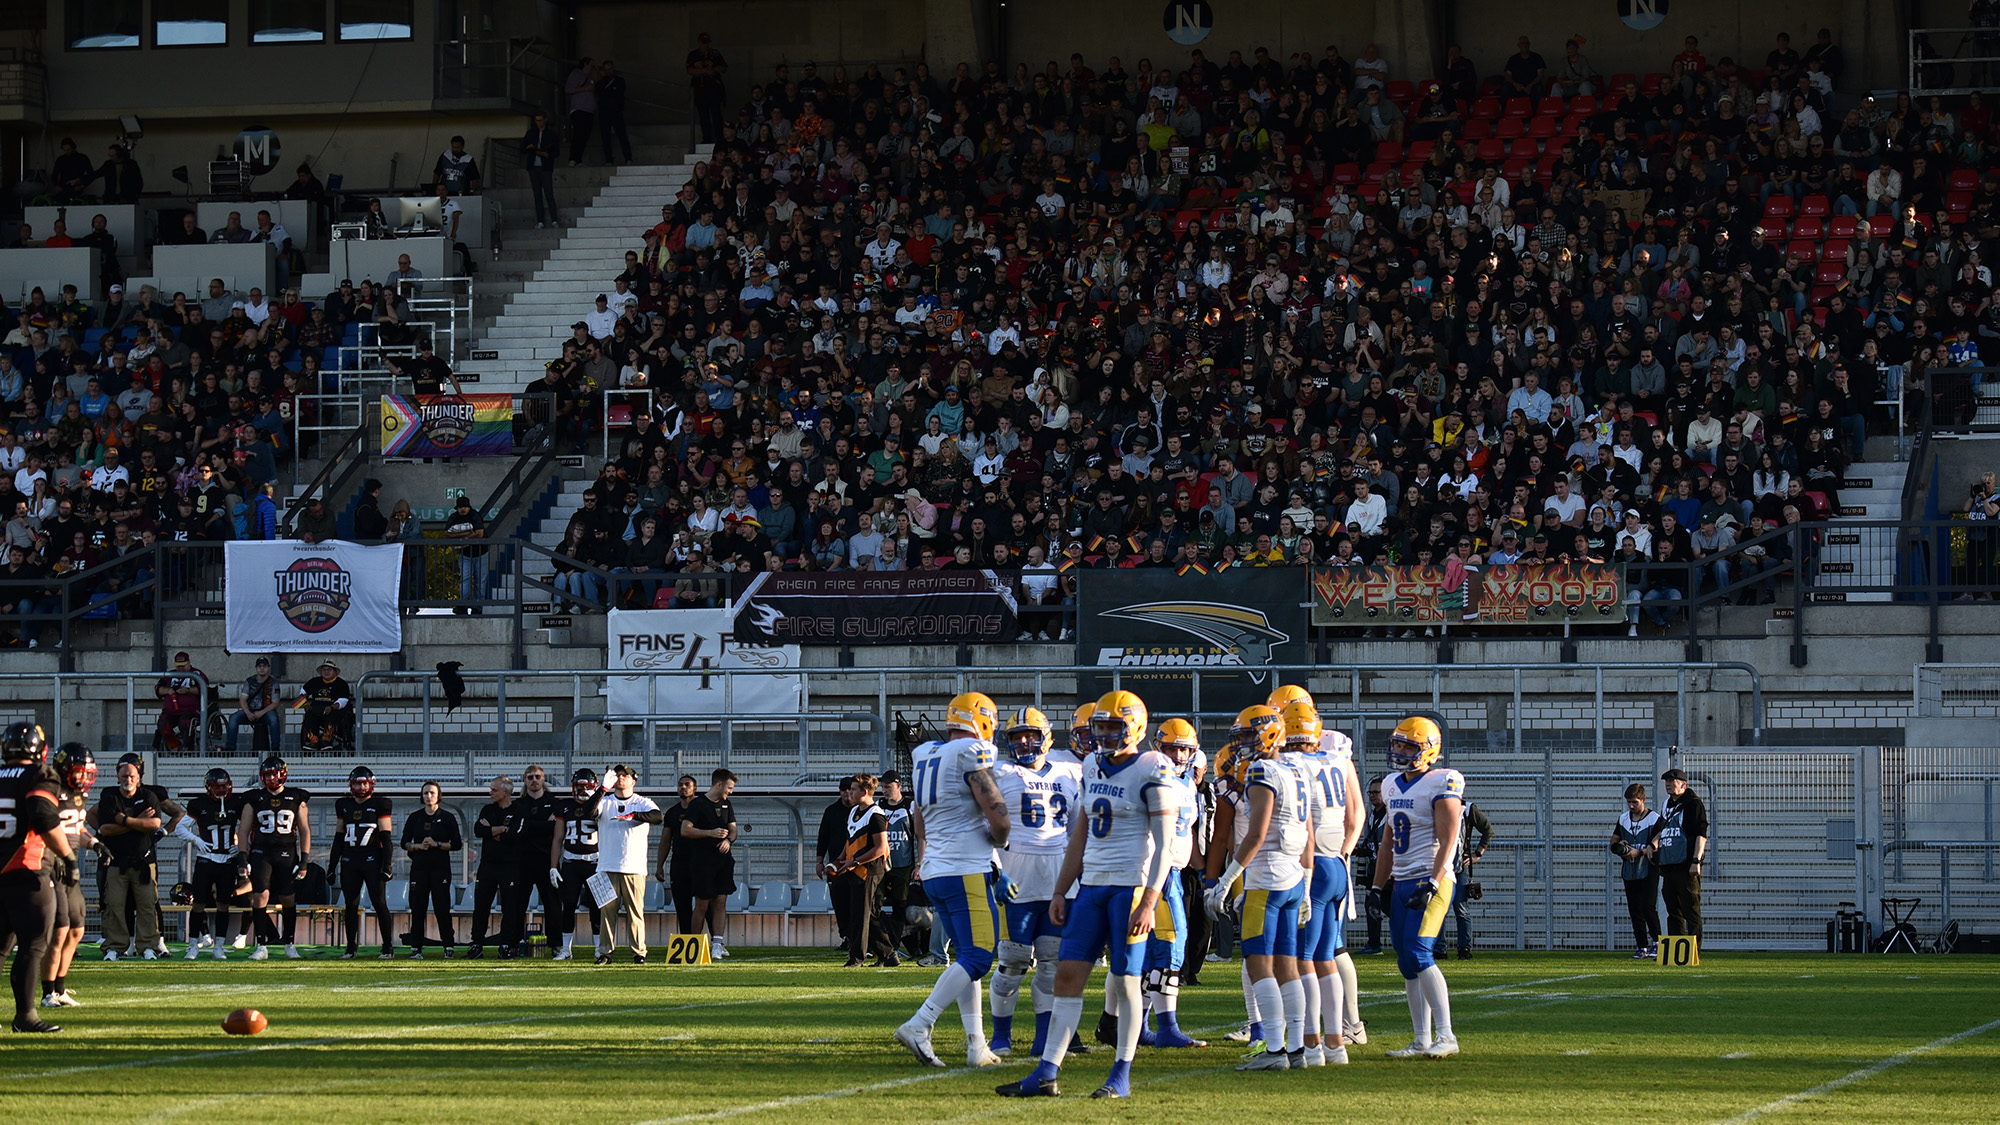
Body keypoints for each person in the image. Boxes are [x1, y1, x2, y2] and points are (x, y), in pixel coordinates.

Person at [995, 691, 1170, 1099]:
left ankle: (1120, 1074)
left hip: (1130, 886)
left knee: (1127, 981)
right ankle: (1046, 1072)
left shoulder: (1152, 766)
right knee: (1068, 976)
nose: (1105, 735)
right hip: (1090, 886)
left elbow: (1163, 846)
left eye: (1113, 727)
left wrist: (1149, 901)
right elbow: (1081, 833)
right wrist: (1061, 889)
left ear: (1135, 727)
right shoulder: (1090, 765)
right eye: (1101, 727)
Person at [897, 691, 1010, 1072]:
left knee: (965, 957)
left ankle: (976, 1044)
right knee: (979, 957)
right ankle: (920, 1023)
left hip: (936, 870)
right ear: (982, 722)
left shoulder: (925, 753)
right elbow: (997, 814)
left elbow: (918, 817)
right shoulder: (972, 753)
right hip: (965, 869)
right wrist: (1001, 837)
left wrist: (929, 851)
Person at [1208, 703, 1313, 1073]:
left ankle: (1273, 1049)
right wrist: (1309, 880)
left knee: (1258, 964)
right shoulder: (1298, 768)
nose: (1243, 745)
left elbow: (1254, 835)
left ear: (1269, 733)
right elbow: (1308, 832)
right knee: (1287, 965)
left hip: (1266, 879)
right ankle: (1297, 1049)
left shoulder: (1262, 769)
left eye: (1249, 736)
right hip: (1294, 877)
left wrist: (1224, 881)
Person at [988, 707, 1083, 1056]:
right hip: (1017, 876)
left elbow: (1076, 832)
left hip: (1057, 878)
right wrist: (996, 869)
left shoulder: (1069, 775)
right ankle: (1001, 1036)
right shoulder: (999, 772)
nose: (1024, 741)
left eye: (1030, 735)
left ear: (1048, 739)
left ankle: (1042, 1040)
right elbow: (983, 829)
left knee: (1051, 961)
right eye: (1016, 736)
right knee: (1012, 960)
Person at [1369, 716, 1464, 1059]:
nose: (1400, 751)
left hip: (1431, 878)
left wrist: (1435, 881)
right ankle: (1421, 1038)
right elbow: (1387, 841)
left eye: (1409, 745)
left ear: (1429, 750)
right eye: (1398, 743)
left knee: (1420, 952)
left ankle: (1447, 1036)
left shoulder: (1443, 781)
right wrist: (1378, 887)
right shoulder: (1392, 784)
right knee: (1406, 961)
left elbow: (1449, 838)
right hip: (1403, 879)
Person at [1283, 693, 1367, 1065]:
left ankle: (1313, 1043)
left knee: (1303, 959)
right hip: (1336, 865)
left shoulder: (1290, 763)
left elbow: (1302, 822)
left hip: (1310, 866)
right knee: (1325, 958)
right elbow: (1355, 815)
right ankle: (1335, 1043)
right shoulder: (1338, 758)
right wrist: (1346, 850)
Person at [1, 722, 76, 1033]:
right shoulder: (40, 774)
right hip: (27, 867)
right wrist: (67, 856)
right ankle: (25, 1016)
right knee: (33, 945)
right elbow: (43, 815)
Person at [1136, 718, 1205, 1050]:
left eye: (1184, 749)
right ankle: (1166, 1027)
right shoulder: (1151, 775)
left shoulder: (1187, 780)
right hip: (1156, 874)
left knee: (1156, 953)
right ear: (1156, 747)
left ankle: (1138, 1025)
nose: (1178, 755)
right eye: (1171, 748)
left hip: (1173, 872)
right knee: (1170, 946)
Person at [90, 751, 168, 960]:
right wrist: (137, 822)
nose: (128, 780)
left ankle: (148, 946)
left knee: (147, 905)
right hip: (116, 861)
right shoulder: (109, 795)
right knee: (114, 905)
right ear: (117, 776)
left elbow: (154, 824)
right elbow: (105, 829)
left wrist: (124, 820)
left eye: (132, 776)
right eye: (124, 776)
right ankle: (115, 947)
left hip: (143, 861)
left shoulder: (148, 796)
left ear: (139, 777)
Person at [584, 763, 663, 964]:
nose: (620, 778)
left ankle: (639, 952)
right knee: (606, 914)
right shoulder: (607, 801)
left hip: (633, 867)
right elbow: (589, 812)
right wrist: (602, 789)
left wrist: (634, 815)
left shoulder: (642, 802)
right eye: (617, 775)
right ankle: (604, 952)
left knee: (635, 913)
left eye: (624, 775)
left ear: (633, 780)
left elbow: (657, 816)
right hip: (606, 867)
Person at [235, 754, 310, 960]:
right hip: (261, 852)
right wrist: (243, 856)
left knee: (288, 897)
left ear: (283, 774)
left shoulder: (296, 797)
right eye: (267, 775)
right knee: (260, 896)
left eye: (275, 774)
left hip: (287, 852)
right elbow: (243, 830)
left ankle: (290, 942)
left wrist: (304, 859)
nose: (271, 779)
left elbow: (305, 830)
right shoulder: (255, 798)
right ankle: (261, 945)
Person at [40, 743, 95, 1006]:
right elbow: (43, 828)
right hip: (50, 864)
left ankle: (60, 989)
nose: (84, 777)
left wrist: (94, 844)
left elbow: (77, 828)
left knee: (77, 929)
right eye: (79, 771)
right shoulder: (49, 791)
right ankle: (46, 991)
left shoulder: (78, 795)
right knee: (59, 929)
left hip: (70, 864)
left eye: (87, 772)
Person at [329, 766, 395, 959]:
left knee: (379, 903)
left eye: (364, 782)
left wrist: (387, 865)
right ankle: (350, 947)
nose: (361, 786)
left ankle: (387, 947)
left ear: (371, 783)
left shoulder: (380, 804)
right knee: (350, 904)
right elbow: (338, 838)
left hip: (372, 859)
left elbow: (386, 838)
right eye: (357, 782)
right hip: (350, 860)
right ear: (351, 784)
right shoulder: (344, 805)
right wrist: (332, 866)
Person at [182, 767, 247, 961]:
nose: (220, 791)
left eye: (223, 786)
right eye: (216, 787)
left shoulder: (237, 803)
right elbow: (180, 828)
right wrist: (197, 841)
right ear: (208, 787)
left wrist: (241, 846)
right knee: (199, 903)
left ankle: (219, 946)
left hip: (227, 860)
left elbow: (247, 827)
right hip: (207, 860)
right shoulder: (199, 804)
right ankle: (193, 944)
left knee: (223, 905)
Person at [832, 774, 897, 967]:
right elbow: (849, 839)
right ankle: (888, 954)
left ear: (865, 792)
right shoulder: (854, 812)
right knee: (868, 914)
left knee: (860, 914)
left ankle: (857, 957)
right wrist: (841, 858)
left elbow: (880, 848)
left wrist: (855, 861)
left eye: (853, 789)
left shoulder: (875, 814)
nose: (849, 793)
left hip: (869, 869)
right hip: (854, 866)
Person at [466, 774, 527, 959]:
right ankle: (477, 944)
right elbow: (478, 830)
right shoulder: (487, 810)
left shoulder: (518, 810)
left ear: (506, 792)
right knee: (481, 906)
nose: (490, 793)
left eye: (494, 790)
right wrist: (501, 829)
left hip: (510, 866)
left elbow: (515, 837)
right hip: (487, 866)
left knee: (509, 907)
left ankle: (506, 945)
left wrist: (491, 830)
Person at [549, 768, 605, 961]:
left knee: (597, 906)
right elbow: (557, 838)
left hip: (595, 862)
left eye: (586, 787)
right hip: (571, 861)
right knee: (569, 904)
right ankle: (566, 949)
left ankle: (599, 948)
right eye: (578, 787)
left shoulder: (601, 804)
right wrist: (553, 866)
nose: (581, 791)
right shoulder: (565, 806)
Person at [401, 781, 462, 957]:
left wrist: (438, 844)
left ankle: (448, 947)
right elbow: (404, 842)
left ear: (439, 795)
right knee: (417, 908)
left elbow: (457, 844)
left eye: (432, 793)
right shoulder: (415, 817)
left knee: (441, 908)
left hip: (440, 869)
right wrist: (417, 846)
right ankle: (416, 948)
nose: (429, 796)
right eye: (426, 793)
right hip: (419, 869)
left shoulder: (448, 817)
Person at [682, 768, 739, 957]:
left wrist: (728, 841)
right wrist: (710, 833)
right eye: (729, 788)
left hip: (723, 862)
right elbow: (686, 830)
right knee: (702, 903)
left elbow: (733, 830)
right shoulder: (698, 804)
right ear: (719, 784)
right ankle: (694, 944)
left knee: (721, 901)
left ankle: (717, 944)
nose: (730, 792)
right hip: (702, 861)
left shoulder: (726, 804)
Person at [1612, 782, 1664, 959]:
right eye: (1629, 803)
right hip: (1630, 868)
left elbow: (1657, 845)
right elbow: (1613, 842)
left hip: (1648, 867)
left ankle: (1657, 942)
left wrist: (1639, 851)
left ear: (1643, 799)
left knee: (1648, 906)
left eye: (1635, 802)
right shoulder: (1624, 819)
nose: (1631, 806)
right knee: (1634, 909)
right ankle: (1642, 945)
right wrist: (1621, 846)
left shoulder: (1655, 818)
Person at [1657, 768, 1709, 942]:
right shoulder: (1667, 804)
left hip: (1686, 866)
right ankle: (1677, 948)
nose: (1668, 785)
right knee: (1673, 912)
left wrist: (1696, 860)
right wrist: (1652, 844)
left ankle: (1694, 952)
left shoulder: (1693, 803)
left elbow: (1701, 834)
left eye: (1672, 781)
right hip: (1669, 865)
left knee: (1691, 911)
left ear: (1683, 785)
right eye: (1667, 782)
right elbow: (1663, 829)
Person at [515, 765, 562, 958]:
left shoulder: (555, 803)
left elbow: (556, 831)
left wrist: (530, 826)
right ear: (525, 781)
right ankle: (515, 943)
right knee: (517, 904)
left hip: (547, 861)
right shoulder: (518, 804)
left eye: (538, 777)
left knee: (552, 904)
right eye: (530, 777)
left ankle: (556, 945)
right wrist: (545, 825)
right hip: (522, 862)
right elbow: (519, 830)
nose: (534, 780)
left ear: (543, 780)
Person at [656, 773, 700, 933]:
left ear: (695, 788)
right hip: (679, 864)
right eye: (680, 784)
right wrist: (659, 865)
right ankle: (687, 941)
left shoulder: (703, 808)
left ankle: (715, 942)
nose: (683, 787)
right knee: (682, 906)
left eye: (687, 784)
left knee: (705, 905)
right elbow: (665, 841)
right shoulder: (672, 812)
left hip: (700, 863)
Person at [1449, 800, 1492, 959]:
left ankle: (1464, 948)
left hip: (1460, 867)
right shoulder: (1435, 805)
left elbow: (1488, 830)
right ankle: (1439, 949)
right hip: (1440, 866)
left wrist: (1477, 854)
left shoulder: (1468, 809)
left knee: (1461, 908)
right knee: (1439, 909)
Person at [225, 656, 281, 753]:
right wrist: (247, 713)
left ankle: (276, 749)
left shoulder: (274, 683)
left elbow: (275, 703)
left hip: (265, 712)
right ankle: (230, 749)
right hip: (250, 711)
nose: (262, 668)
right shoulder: (249, 681)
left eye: (264, 666)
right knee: (233, 718)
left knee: (274, 719)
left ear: (268, 668)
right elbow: (242, 699)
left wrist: (261, 712)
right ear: (256, 668)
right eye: (259, 666)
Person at [297, 659, 354, 750]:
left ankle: (326, 740)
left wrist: (332, 707)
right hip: (316, 708)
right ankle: (313, 741)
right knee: (309, 714)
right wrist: (305, 705)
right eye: (324, 670)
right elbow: (303, 692)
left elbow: (343, 700)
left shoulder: (341, 684)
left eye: (329, 670)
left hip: (334, 709)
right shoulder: (315, 681)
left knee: (332, 714)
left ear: (335, 672)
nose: (326, 672)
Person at [154, 650, 204, 751]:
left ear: (189, 663)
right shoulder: (169, 675)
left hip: (190, 711)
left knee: (185, 723)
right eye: (178, 666)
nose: (180, 668)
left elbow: (204, 689)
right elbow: (158, 689)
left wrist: (188, 690)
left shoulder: (197, 674)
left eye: (183, 666)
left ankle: (188, 748)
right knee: (162, 724)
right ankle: (175, 746)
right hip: (170, 711)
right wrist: (168, 690)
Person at [446, 495, 488, 614]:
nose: (462, 509)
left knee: (480, 581)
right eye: (460, 507)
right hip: (465, 554)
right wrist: (467, 535)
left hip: (481, 553)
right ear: (457, 509)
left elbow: (480, 533)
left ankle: (477, 607)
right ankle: (462, 606)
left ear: (469, 508)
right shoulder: (454, 517)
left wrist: (461, 536)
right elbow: (446, 533)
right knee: (465, 580)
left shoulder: (475, 515)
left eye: (465, 507)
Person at [686, 32, 728, 144]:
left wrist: (714, 69)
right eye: (703, 42)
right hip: (700, 89)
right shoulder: (693, 55)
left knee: (716, 115)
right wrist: (704, 71)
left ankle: (719, 138)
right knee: (703, 116)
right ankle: (707, 138)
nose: (705, 45)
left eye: (706, 42)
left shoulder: (715, 54)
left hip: (714, 88)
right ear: (699, 42)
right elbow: (689, 70)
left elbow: (724, 67)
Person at [521, 111, 561, 228]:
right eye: (537, 120)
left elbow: (556, 151)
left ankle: (554, 219)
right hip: (533, 166)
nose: (539, 123)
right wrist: (530, 148)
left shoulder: (551, 134)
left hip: (545, 167)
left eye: (540, 120)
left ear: (545, 120)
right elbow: (523, 148)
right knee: (537, 195)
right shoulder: (531, 133)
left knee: (548, 194)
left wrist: (547, 154)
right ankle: (540, 220)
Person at [597, 59, 633, 163]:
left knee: (622, 136)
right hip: (604, 113)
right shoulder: (601, 83)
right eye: (605, 70)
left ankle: (628, 158)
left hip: (616, 111)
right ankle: (608, 159)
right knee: (605, 137)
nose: (608, 71)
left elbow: (619, 93)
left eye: (609, 69)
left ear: (613, 69)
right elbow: (600, 94)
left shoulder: (620, 81)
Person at [565, 56, 598, 166]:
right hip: (579, 109)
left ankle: (578, 159)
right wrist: (585, 89)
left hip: (589, 110)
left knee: (585, 135)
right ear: (585, 64)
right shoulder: (576, 74)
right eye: (591, 65)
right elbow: (568, 89)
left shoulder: (590, 78)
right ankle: (573, 158)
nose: (593, 67)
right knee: (579, 134)